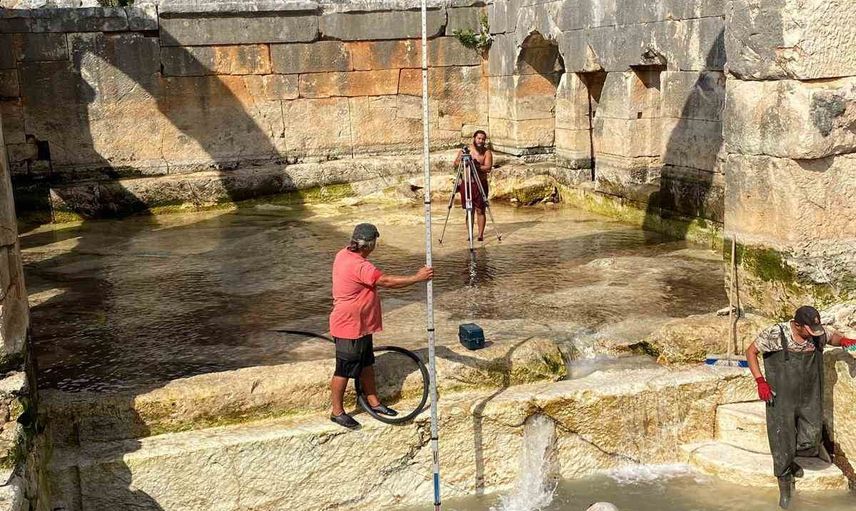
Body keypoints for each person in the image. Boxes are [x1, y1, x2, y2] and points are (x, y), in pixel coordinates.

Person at [745, 305, 856, 509]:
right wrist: (760, 381)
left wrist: (845, 341)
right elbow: (751, 351)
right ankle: (785, 485)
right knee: (782, 439)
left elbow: (833, 337)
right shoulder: (776, 334)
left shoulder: (817, 334)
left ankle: (791, 458)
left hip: (809, 395)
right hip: (781, 397)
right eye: (809, 330)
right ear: (797, 325)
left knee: (812, 436)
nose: (814, 334)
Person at [328, 223, 433, 429]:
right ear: (369, 245)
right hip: (349, 326)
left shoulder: (343, 254)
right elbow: (386, 281)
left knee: (366, 363)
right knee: (344, 370)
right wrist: (417, 278)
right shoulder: (360, 266)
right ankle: (337, 412)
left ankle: (373, 402)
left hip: (361, 325)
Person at [453, 130, 494, 242]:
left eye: (483, 139)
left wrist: (476, 166)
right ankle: (470, 234)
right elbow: (455, 163)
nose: (481, 141)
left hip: (480, 183)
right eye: (479, 138)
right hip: (467, 183)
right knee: (469, 210)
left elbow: (488, 167)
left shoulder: (487, 152)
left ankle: (480, 235)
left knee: (480, 210)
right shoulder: (465, 151)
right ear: (474, 138)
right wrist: (463, 162)